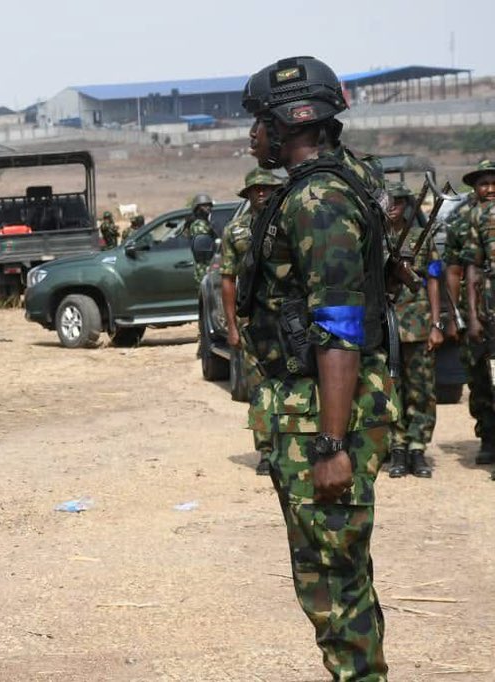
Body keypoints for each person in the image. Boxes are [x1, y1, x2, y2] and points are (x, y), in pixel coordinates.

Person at [239, 56, 398, 681]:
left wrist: (331, 446)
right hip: (318, 405)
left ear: (290, 121)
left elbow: (339, 327)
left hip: (322, 415)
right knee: (342, 569)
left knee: (330, 576)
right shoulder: (348, 178)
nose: (252, 137)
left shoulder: (318, 201)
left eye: (259, 122)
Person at [219, 168, 283, 475]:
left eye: (266, 188)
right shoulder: (235, 231)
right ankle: (266, 451)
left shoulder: (288, 224)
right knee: (259, 391)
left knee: (292, 386)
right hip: (252, 323)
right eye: (255, 188)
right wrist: (232, 326)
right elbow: (227, 279)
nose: (261, 192)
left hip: (287, 321)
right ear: (247, 194)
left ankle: (292, 446)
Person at [384, 181, 443, 478]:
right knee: (391, 388)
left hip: (418, 323)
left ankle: (417, 447)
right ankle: (397, 447)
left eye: (398, 200)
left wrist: (436, 323)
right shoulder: (374, 237)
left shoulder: (422, 236)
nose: (393, 206)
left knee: (422, 389)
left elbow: (433, 279)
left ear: (407, 204)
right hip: (386, 324)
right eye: (388, 200)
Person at [443, 187, 492, 465]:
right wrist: (454, 317)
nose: (490, 188)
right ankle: (488, 437)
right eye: (484, 182)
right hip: (474, 310)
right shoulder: (461, 219)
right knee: (478, 376)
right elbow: (454, 269)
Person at [461, 159, 495, 479]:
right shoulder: (477, 217)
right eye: (484, 183)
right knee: (486, 379)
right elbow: (470, 266)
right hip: (490, 310)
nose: (491, 189)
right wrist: (471, 316)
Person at [184, 194, 214, 284]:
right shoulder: (199, 225)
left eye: (209, 205)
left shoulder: (206, 223)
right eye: (204, 206)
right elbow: (204, 250)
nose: (208, 208)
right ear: (197, 208)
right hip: (205, 268)